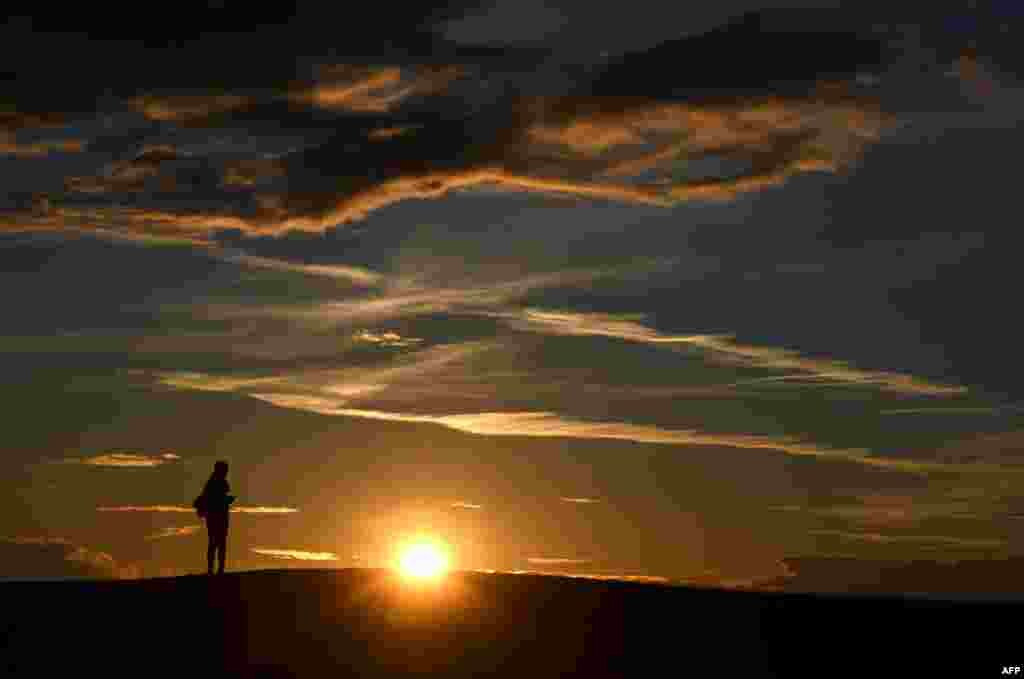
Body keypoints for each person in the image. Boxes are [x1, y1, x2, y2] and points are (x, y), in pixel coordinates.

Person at [196, 460, 235, 575]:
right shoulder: (217, 482)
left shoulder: (212, 482)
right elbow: (218, 499)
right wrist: (227, 500)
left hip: (215, 516)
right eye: (225, 470)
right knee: (218, 543)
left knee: (215, 543)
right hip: (218, 516)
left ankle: (215, 569)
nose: (226, 472)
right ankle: (216, 569)